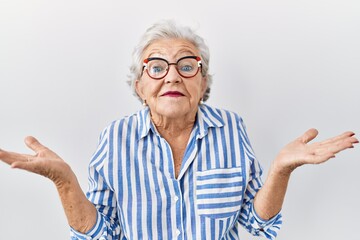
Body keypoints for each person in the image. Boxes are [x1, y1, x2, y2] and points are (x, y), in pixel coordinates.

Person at [0, 20, 358, 240]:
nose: (172, 74)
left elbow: (258, 224)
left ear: (203, 84)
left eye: (187, 66)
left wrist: (281, 168)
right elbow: (101, 235)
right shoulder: (115, 137)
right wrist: (64, 181)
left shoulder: (231, 129)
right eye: (157, 67)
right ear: (139, 86)